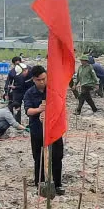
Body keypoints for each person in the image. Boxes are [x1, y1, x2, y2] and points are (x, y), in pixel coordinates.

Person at [23, 65, 64, 196]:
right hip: (37, 130)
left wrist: (49, 113)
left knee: (57, 157)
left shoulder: (53, 90)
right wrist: (39, 110)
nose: (42, 82)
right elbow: (28, 111)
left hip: (54, 130)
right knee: (38, 157)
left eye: (44, 79)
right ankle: (39, 183)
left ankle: (57, 184)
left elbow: (60, 106)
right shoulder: (30, 93)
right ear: (33, 80)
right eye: (38, 80)